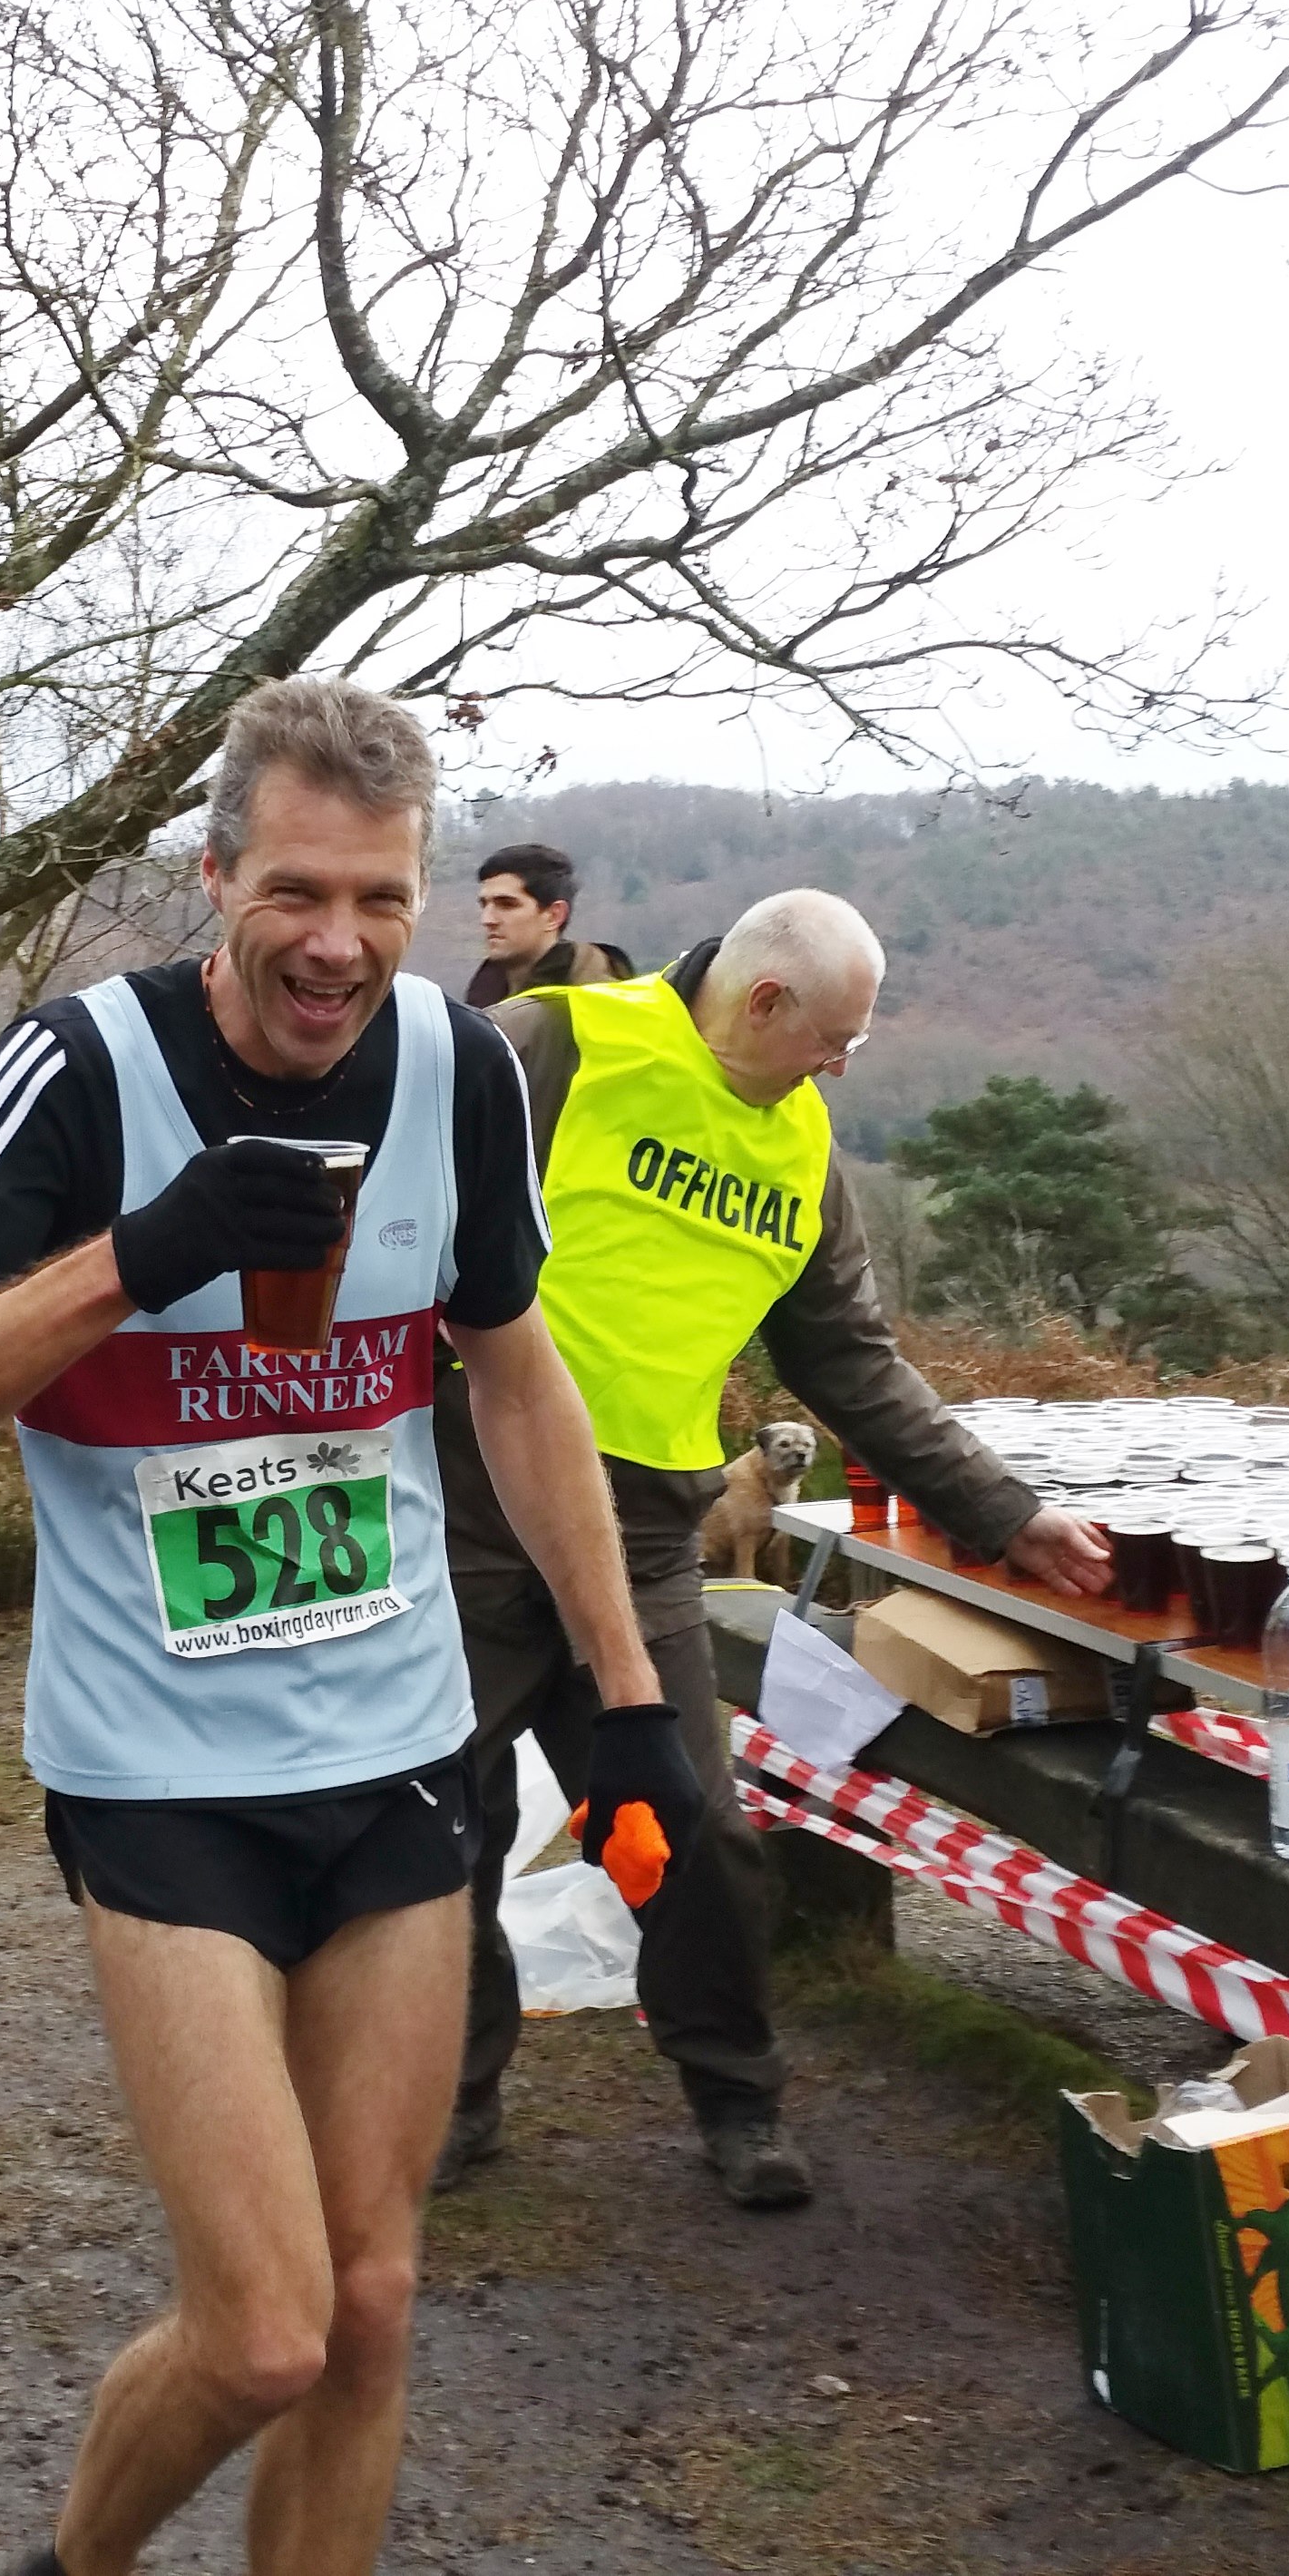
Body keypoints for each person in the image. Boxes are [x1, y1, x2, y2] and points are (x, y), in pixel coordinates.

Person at [0, 675, 700, 2576]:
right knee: (263, 2332)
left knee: (375, 2305)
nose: (338, 945)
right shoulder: (76, 1075)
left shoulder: (458, 1071)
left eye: (383, 901)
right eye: (297, 893)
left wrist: (625, 1699)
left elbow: (515, 1370)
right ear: (214, 874)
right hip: (160, 1778)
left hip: (397, 1744)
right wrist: (150, 1250)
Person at [434, 888, 1114, 2207]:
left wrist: (1005, 1512)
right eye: (833, 1039)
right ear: (760, 1003)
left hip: (640, 1541)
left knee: (683, 1828)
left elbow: (849, 1362)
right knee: (434, 1830)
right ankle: (453, 2099)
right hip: (463, 1510)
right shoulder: (548, 1050)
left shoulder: (802, 1153)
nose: (842, 1067)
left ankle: (735, 2096)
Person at [463, 841, 635, 1004]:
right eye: (484, 905)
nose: (487, 920)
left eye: (507, 905)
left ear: (554, 916)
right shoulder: (482, 997)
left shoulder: (599, 1004)